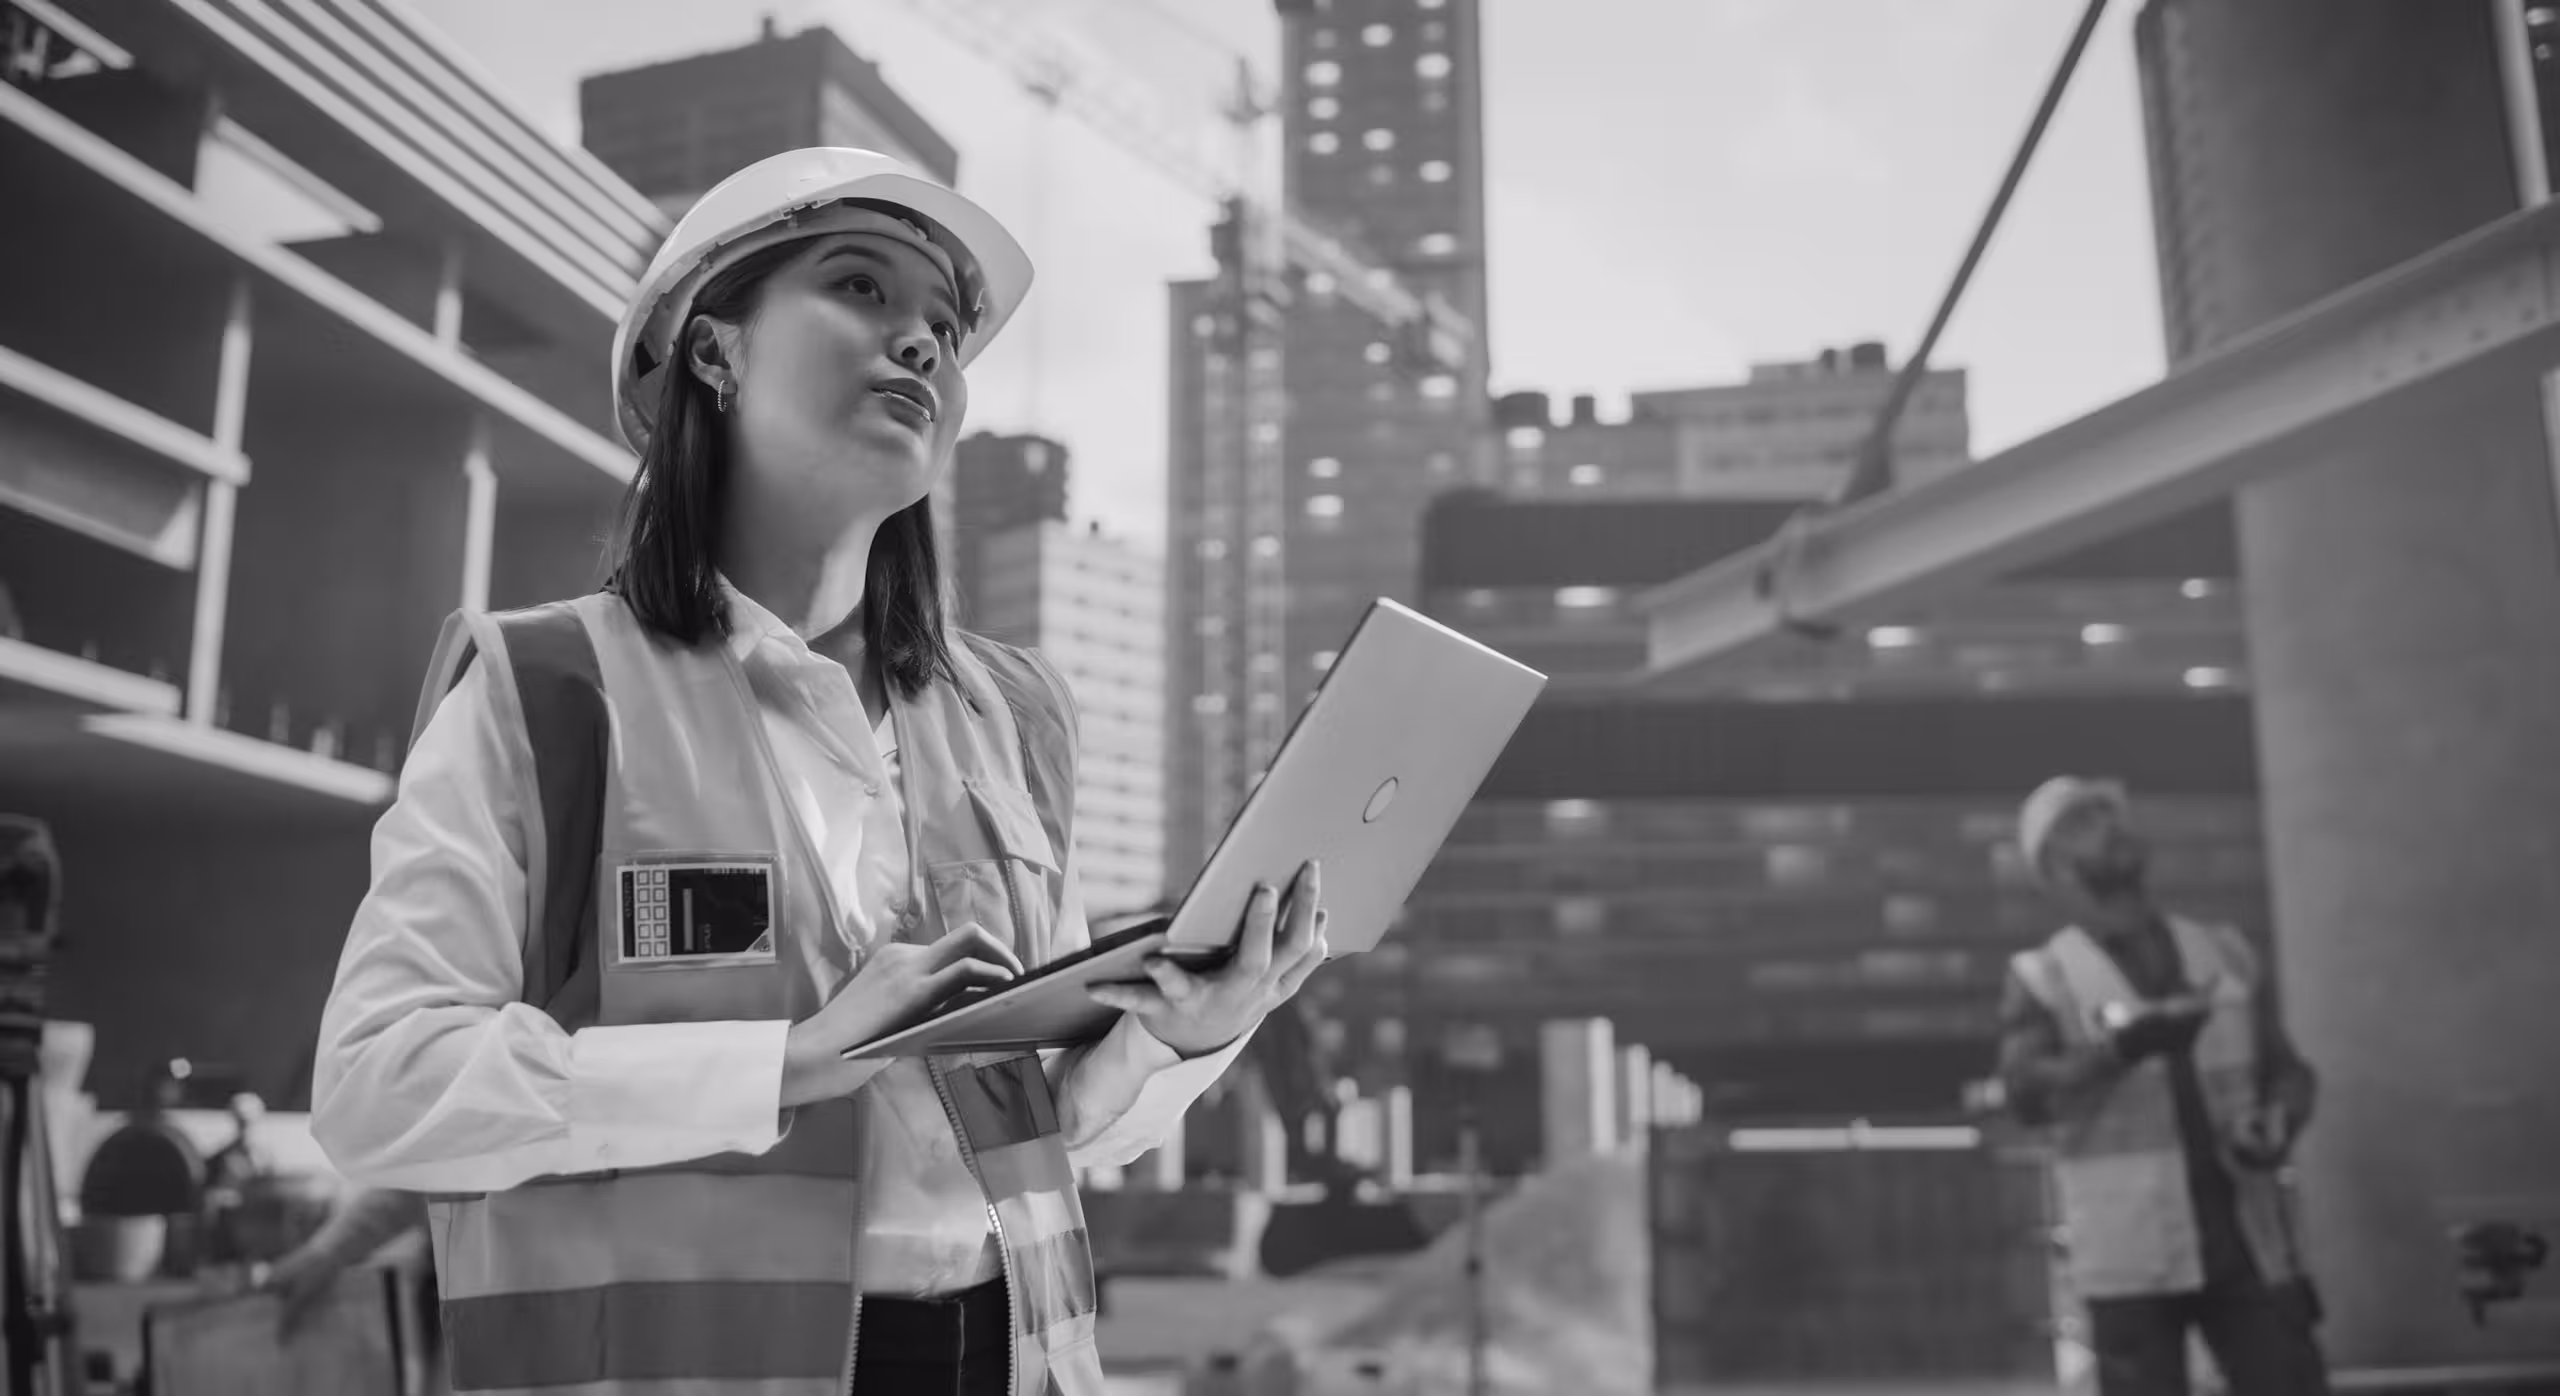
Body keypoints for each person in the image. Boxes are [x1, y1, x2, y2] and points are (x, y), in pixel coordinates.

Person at [311, 147, 1329, 1396]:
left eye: (945, 326)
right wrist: (787, 1062)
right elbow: (375, 1087)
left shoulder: (1010, 719)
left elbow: (1044, 1122)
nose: (922, 344)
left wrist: (1180, 1036)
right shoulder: (549, 693)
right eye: (860, 287)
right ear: (713, 351)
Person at [1995, 777, 2328, 1396]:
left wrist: (2279, 1119)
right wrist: (2118, 1052)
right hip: (2129, 1256)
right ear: (2054, 867)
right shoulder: (2044, 977)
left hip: (2245, 1238)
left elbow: (2288, 1072)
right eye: (2084, 823)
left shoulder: (2222, 952)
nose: (2111, 828)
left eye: (2111, 815)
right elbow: (2026, 1095)